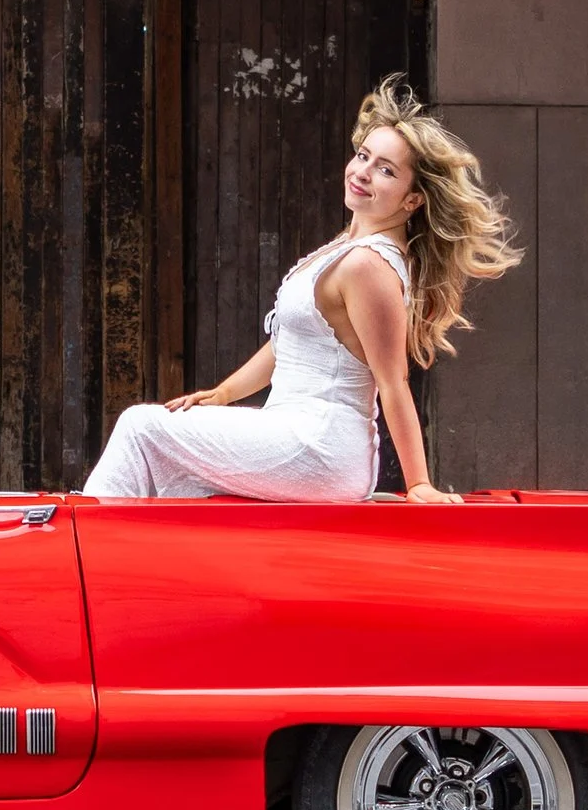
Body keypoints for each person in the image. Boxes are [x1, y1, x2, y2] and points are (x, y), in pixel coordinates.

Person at [83, 82, 518, 506]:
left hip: (321, 448)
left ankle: (86, 539)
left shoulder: (369, 265)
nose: (363, 172)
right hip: (294, 434)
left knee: (142, 427)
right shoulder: (344, 249)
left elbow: (393, 380)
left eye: (386, 170)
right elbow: (287, 345)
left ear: (413, 200)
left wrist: (419, 483)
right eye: (363, 156)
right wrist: (222, 394)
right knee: (169, 452)